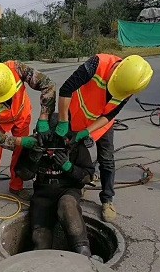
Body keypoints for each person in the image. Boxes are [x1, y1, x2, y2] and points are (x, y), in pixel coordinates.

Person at [55, 54, 154, 222]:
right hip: (76, 114)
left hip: (102, 123)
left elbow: (110, 115)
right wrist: (63, 121)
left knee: (106, 159)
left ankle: (107, 200)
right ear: (117, 70)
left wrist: (87, 132)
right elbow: (66, 89)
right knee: (71, 149)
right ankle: (75, 185)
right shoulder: (96, 64)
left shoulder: (129, 86)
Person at [0, 61, 56, 210]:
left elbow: (48, 84)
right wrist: (19, 141)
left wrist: (44, 116)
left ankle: (16, 186)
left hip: (21, 116)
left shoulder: (17, 69)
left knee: (20, 153)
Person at [28, 115, 96, 258]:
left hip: (67, 189)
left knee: (67, 205)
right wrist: (33, 159)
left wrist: (69, 167)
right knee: (41, 242)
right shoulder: (36, 144)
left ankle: (83, 250)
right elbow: (23, 175)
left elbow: (88, 176)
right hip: (43, 194)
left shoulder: (75, 144)